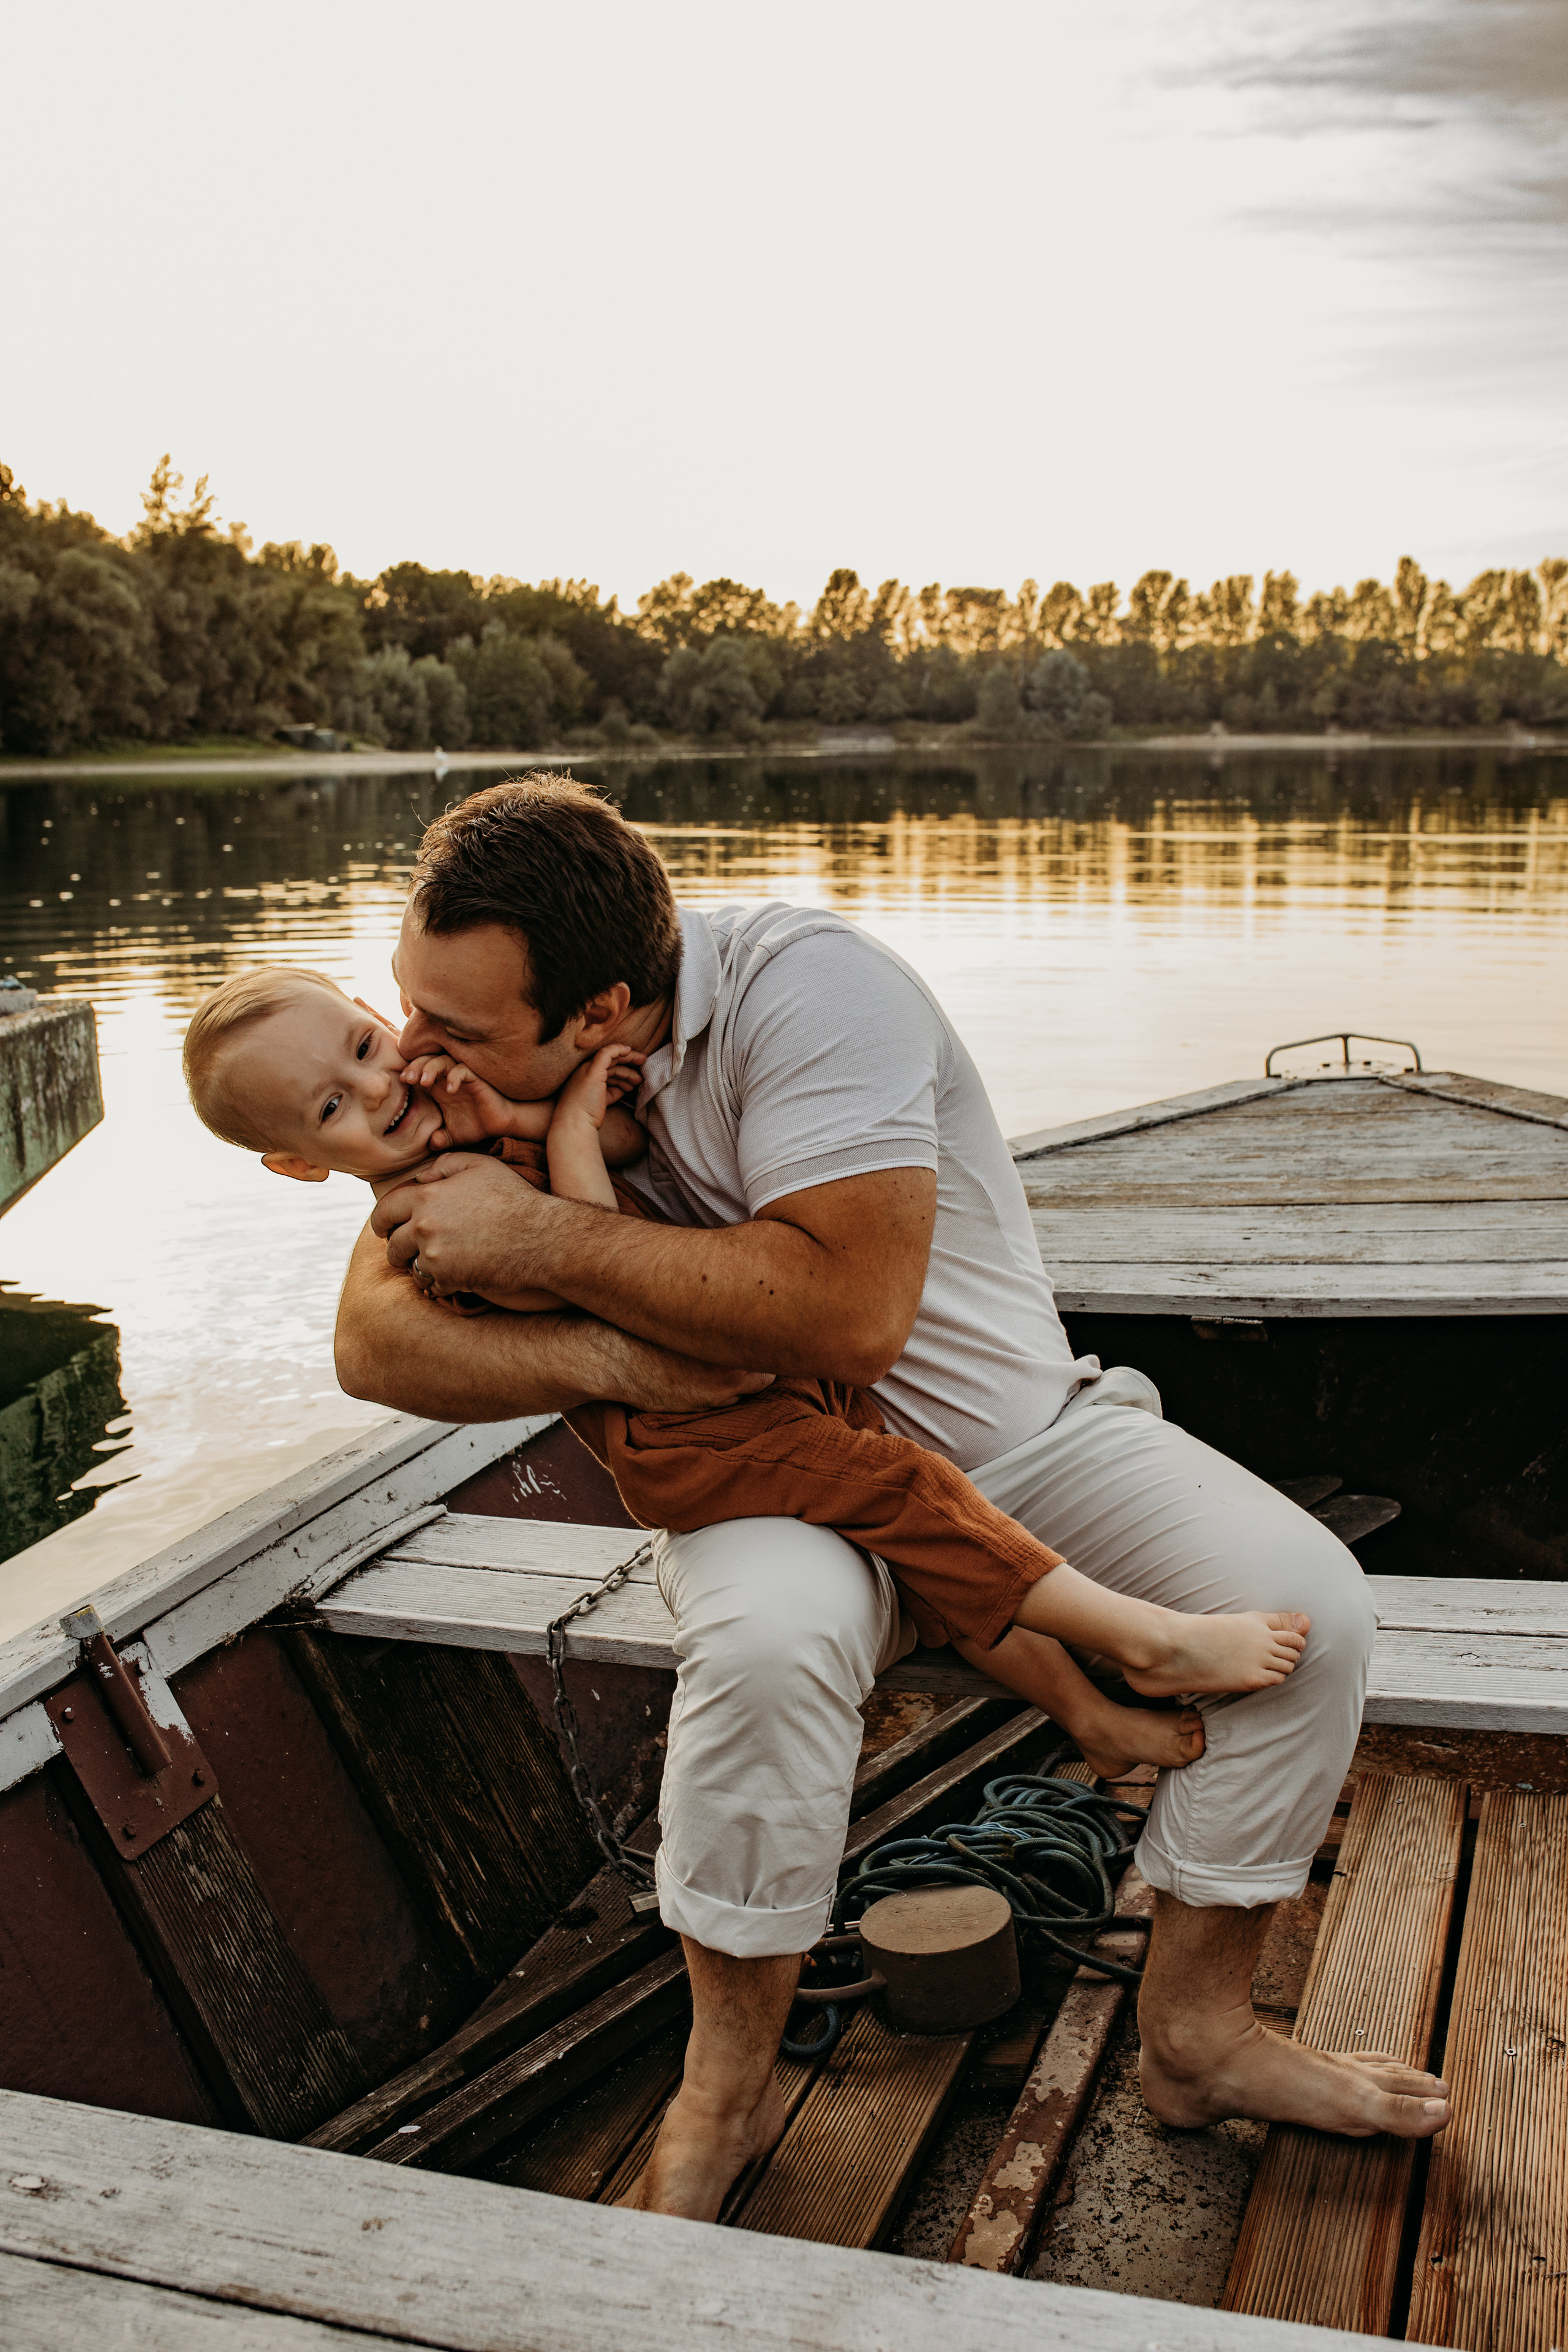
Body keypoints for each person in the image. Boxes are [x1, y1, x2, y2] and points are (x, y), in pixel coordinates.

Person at [333, 775, 1450, 2220]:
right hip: (772, 1485)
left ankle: (1195, 2037)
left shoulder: (812, 996)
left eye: (455, 1027)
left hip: (1013, 1446)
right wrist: (633, 1360)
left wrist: (541, 1237)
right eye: (406, 1009)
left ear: (600, 1012)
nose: (414, 1054)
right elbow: (374, 1344)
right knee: (765, 1646)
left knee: (1314, 1614)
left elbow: (853, 1313)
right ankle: (722, 2099)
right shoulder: (464, 1097)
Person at [180, 964, 1311, 1779]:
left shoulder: (466, 1128)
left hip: (748, 1395)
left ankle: (1080, 1711)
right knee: (919, 1495)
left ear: (387, 1019)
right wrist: (566, 1132)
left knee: (922, 1544)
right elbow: (577, 1268)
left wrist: (535, 1116)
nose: (379, 1088)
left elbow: (621, 1162)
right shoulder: (426, 1220)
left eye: (367, 1050)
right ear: (298, 1163)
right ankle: (1139, 1641)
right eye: (335, 1107)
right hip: (691, 1442)